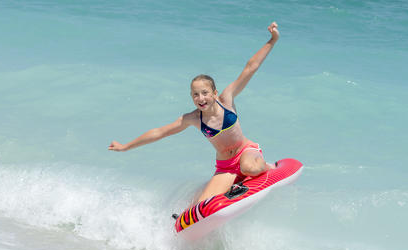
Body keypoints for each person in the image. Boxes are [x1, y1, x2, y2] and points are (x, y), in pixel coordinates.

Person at [108, 22, 280, 203]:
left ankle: (268, 167)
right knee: (202, 205)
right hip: (225, 166)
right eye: (195, 95)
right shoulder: (193, 118)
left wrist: (273, 39)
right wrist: (125, 146)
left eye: (205, 93)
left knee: (249, 168)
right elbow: (159, 132)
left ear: (214, 93)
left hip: (246, 152)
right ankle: (232, 183)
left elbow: (250, 67)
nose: (201, 98)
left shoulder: (227, 99)